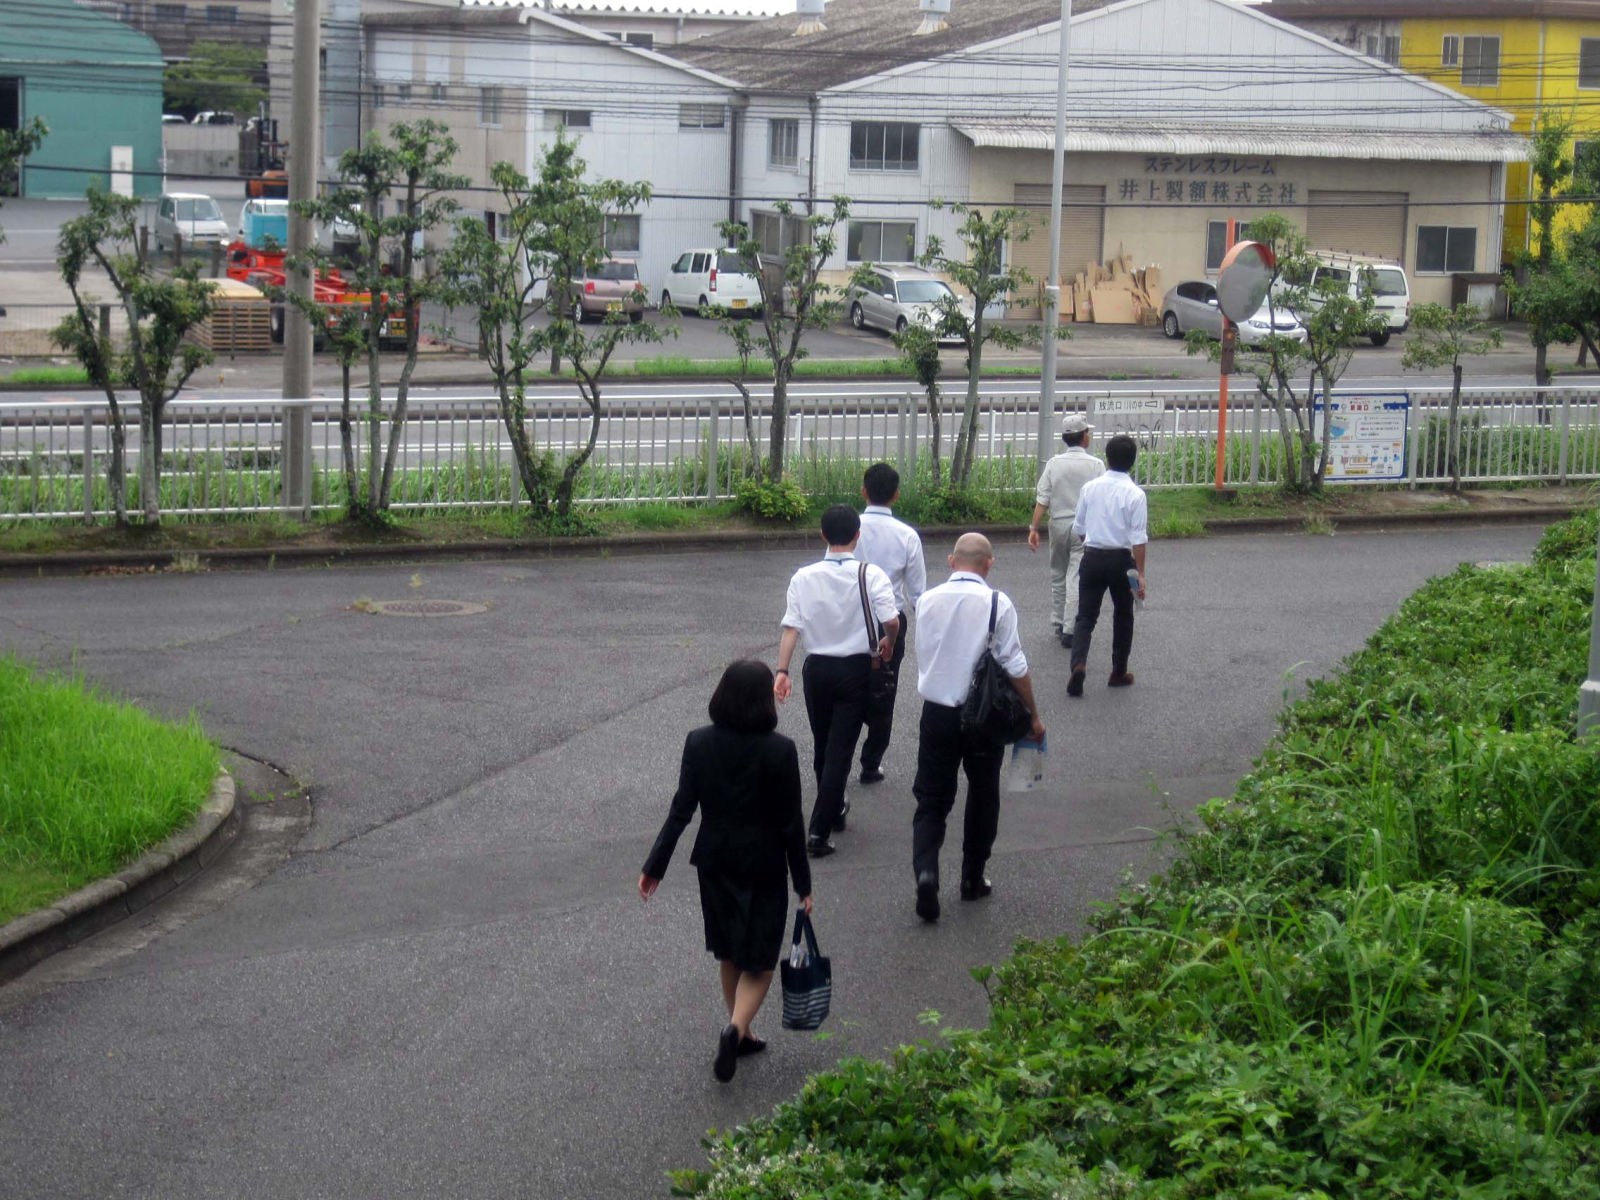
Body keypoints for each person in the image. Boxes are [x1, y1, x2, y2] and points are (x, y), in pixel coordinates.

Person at [639, 660, 813, 1084]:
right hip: (764, 863)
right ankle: (736, 1028)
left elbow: (681, 810)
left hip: (714, 861)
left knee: (730, 950)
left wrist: (654, 866)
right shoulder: (780, 750)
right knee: (761, 960)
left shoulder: (698, 742)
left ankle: (743, 1032)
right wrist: (803, 884)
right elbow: (791, 823)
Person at [909, 533, 1045, 922]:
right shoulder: (998, 603)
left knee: (931, 799)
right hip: (985, 716)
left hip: (937, 712)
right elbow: (1014, 664)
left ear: (952, 561)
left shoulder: (927, 601)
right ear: (989, 564)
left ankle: (926, 872)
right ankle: (972, 877)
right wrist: (1032, 715)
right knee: (983, 793)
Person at [775, 505, 900, 857]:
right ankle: (819, 830)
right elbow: (891, 620)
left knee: (824, 743)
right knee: (841, 750)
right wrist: (889, 640)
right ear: (857, 535)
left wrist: (782, 671)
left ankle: (834, 806)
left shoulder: (803, 577)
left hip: (816, 669)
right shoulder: (870, 574)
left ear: (823, 535)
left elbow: (791, 628)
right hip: (855, 670)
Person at [853, 462, 927, 786]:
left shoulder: (849, 526)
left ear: (864, 492)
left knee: (849, 686)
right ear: (896, 495)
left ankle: (840, 756)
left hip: (852, 618)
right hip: (890, 622)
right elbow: (918, 593)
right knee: (885, 687)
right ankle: (871, 762)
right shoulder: (907, 535)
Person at [1067, 433, 1148, 697]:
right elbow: (1138, 538)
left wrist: (1091, 545)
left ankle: (1078, 664)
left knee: (1085, 616)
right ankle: (1118, 671)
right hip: (1122, 560)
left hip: (1092, 555)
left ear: (1107, 457)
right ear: (1132, 461)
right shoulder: (1136, 494)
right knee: (1123, 614)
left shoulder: (1090, 488)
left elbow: (1079, 527)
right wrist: (1141, 573)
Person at [1027, 415, 1105, 648]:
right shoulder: (1096, 465)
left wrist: (1034, 528)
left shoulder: (1054, 463)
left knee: (1058, 573)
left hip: (1058, 523)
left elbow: (1043, 499)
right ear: (1083, 437)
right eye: (1087, 432)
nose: (1089, 435)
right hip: (1084, 527)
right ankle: (1070, 628)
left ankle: (1059, 621)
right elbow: (1102, 498)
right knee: (1075, 575)